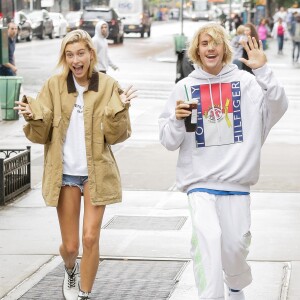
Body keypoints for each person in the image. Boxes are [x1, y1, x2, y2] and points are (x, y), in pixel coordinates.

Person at [158, 23, 288, 300]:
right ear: (197, 50)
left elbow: (277, 106)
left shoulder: (246, 82)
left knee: (235, 246)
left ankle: (236, 285)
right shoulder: (184, 88)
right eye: (205, 43)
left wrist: (263, 70)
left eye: (216, 43)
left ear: (225, 48)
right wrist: (176, 121)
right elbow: (169, 141)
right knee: (207, 241)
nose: (211, 48)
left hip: (237, 183)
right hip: (200, 183)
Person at [14, 29, 137, 300]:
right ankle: (70, 268)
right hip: (66, 175)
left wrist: (119, 111)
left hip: (97, 173)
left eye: (80, 53)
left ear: (91, 54)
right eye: (69, 55)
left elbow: (118, 136)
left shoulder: (107, 85)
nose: (75, 59)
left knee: (90, 238)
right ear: (65, 58)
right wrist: (32, 117)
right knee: (70, 246)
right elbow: (40, 134)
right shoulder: (54, 86)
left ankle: (84, 293)